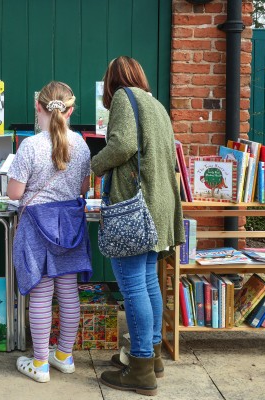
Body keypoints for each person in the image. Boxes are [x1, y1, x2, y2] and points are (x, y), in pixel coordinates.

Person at [91, 56, 184, 396]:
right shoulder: (155, 104)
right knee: (147, 282)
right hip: (157, 207)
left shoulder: (122, 99)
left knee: (132, 287)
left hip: (133, 207)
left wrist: (94, 165)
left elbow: (123, 145)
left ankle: (141, 368)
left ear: (113, 80)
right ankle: (153, 355)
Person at [7, 81, 93, 383]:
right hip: (69, 225)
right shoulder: (81, 144)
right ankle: (64, 356)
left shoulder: (29, 146)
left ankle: (40, 363)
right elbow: (83, 187)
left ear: (37, 108)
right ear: (71, 110)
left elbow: (15, 193)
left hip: (37, 227)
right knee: (69, 293)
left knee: (41, 294)